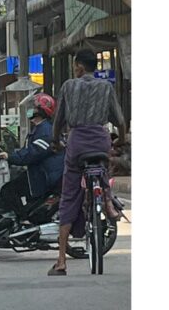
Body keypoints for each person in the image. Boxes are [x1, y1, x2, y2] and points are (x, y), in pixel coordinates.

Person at [48, 49, 127, 276]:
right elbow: (120, 120)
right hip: (100, 141)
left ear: (80, 67)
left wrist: (55, 140)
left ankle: (61, 260)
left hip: (77, 143)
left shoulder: (69, 86)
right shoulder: (106, 87)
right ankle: (109, 203)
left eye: (75, 66)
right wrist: (119, 141)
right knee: (102, 166)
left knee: (70, 195)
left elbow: (59, 120)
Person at [0, 93, 64, 219]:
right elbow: (28, 150)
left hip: (43, 176)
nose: (30, 110)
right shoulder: (40, 129)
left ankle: (23, 221)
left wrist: (10, 157)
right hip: (38, 172)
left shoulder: (45, 131)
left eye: (34, 107)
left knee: (8, 191)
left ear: (41, 111)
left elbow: (32, 153)